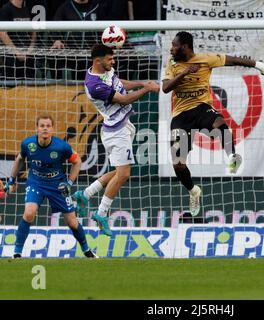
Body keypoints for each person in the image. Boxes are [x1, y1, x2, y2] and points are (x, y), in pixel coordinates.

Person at [161, 31, 264, 217]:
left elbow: (234, 60)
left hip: (201, 107)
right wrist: (185, 73)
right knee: (178, 165)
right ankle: (193, 191)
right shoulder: (172, 63)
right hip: (181, 116)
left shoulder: (205, 59)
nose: (171, 48)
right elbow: (165, 88)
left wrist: (258, 65)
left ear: (185, 47)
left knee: (219, 122)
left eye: (174, 45)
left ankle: (232, 157)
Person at [72, 44, 159, 237]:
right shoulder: (95, 86)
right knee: (124, 174)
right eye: (110, 59)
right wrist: (148, 90)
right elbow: (123, 99)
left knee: (119, 171)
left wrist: (142, 83)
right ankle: (101, 214)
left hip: (122, 124)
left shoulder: (106, 70)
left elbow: (119, 83)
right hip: (116, 131)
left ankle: (84, 195)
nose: (113, 62)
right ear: (98, 60)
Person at [2, 114, 98, 259]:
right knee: (29, 213)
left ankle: (86, 250)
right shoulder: (28, 144)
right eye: (42, 126)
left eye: (48, 126)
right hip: (36, 182)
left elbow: (77, 161)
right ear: (37, 129)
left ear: (52, 129)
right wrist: (11, 180)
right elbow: (20, 159)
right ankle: (17, 252)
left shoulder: (61, 146)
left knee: (72, 222)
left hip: (57, 185)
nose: (45, 129)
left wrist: (69, 183)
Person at [0, 0, 38, 80]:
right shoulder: (5, 9)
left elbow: (34, 31)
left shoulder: (28, 8)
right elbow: (2, 33)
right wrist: (16, 52)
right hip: (11, 58)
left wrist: (30, 49)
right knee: (11, 89)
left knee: (30, 89)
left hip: (28, 57)